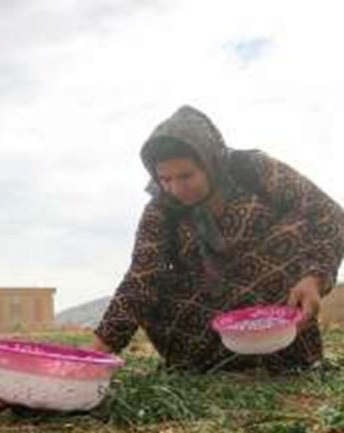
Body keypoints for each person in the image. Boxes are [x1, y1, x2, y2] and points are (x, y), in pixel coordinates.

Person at [93, 105, 344, 373]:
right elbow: (141, 277)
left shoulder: (254, 171)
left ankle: (284, 359)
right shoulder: (162, 208)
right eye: (165, 179)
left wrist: (315, 277)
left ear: (210, 162)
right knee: (153, 285)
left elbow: (327, 213)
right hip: (208, 327)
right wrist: (94, 355)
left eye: (187, 176)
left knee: (293, 227)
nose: (176, 189)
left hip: (275, 317)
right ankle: (208, 365)